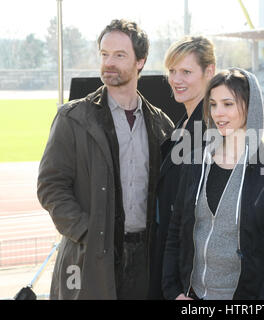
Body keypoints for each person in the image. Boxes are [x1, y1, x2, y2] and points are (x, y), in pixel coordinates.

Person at [37, 19, 174, 299]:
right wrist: (88, 232)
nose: (109, 62)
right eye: (104, 54)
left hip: (144, 259)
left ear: (141, 61)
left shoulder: (162, 125)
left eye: (119, 55)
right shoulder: (72, 118)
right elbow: (50, 186)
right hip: (90, 258)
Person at [162, 68, 264, 300]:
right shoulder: (194, 163)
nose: (218, 113)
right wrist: (173, 291)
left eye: (228, 104)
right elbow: (175, 231)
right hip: (191, 295)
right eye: (213, 104)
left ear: (250, 106)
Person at [148, 36, 216, 299]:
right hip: (169, 256)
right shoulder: (181, 125)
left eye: (186, 72)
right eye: (172, 71)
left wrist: (182, 284)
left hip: (189, 274)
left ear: (208, 72)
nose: (176, 80)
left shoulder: (212, 129)